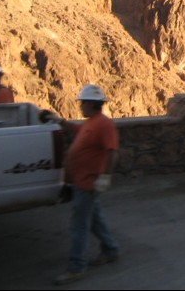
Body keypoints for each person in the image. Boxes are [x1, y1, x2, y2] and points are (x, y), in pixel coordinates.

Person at [48, 84, 120, 285]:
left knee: (79, 226)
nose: (80, 106)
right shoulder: (91, 123)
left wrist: (106, 176)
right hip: (81, 182)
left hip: (88, 182)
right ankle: (111, 250)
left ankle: (76, 267)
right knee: (95, 219)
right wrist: (59, 121)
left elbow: (112, 151)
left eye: (83, 103)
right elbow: (78, 129)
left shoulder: (104, 124)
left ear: (91, 104)